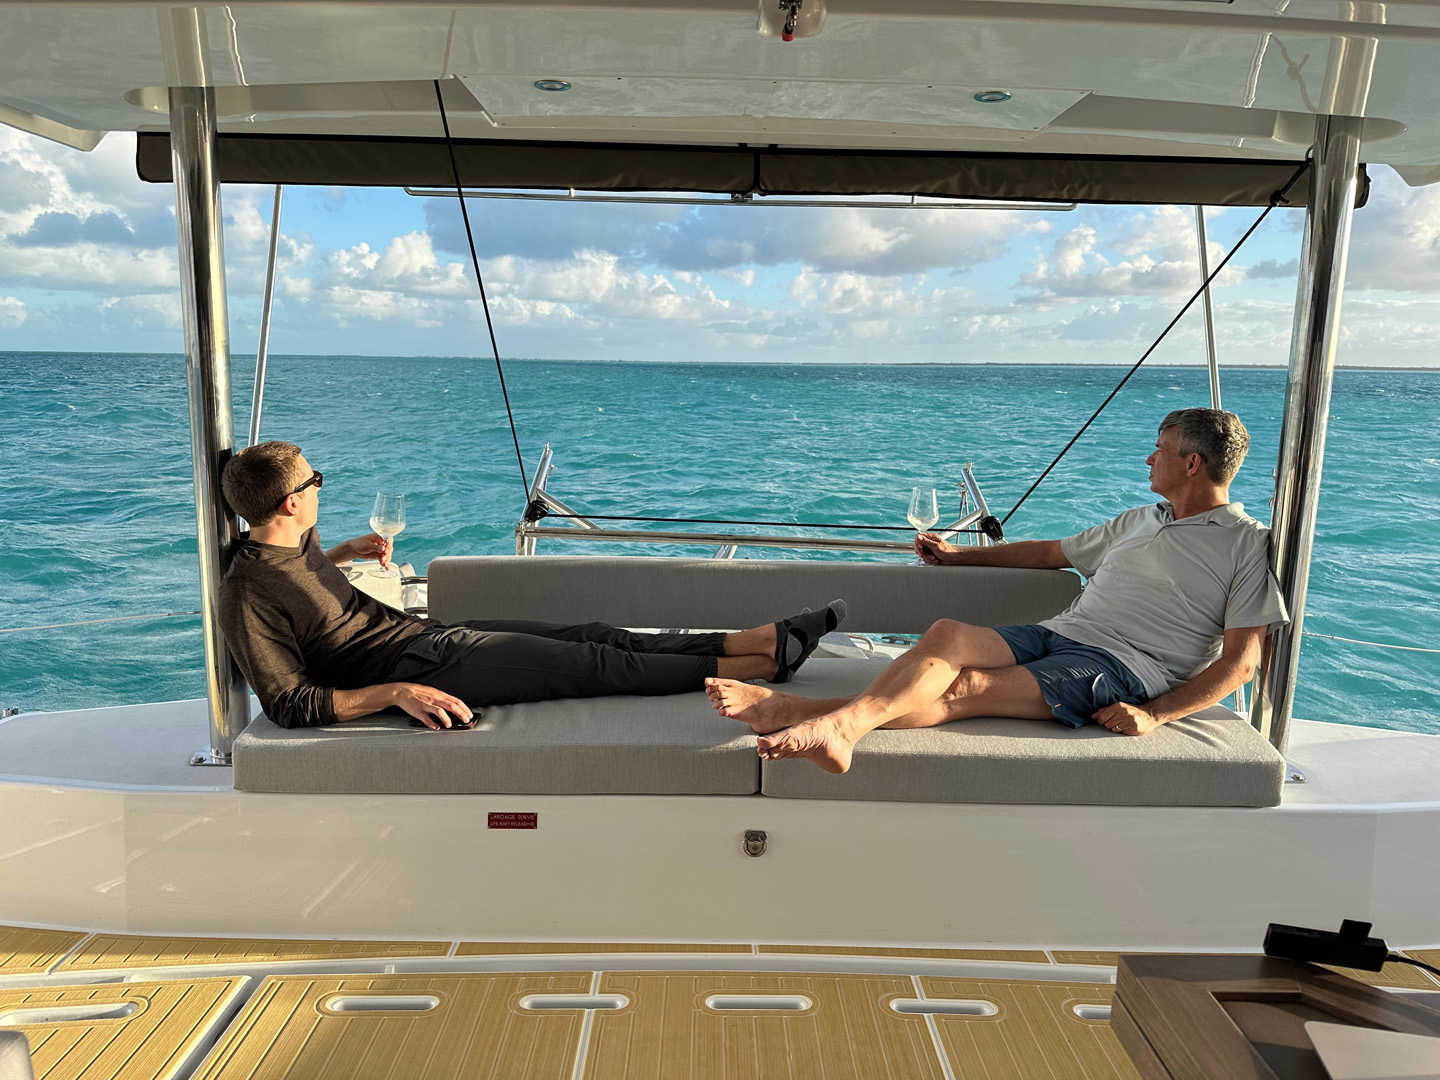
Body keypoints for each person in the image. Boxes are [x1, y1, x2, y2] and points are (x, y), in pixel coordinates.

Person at [705, 407, 1288, 774]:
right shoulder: (1139, 520)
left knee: (968, 687)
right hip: (1063, 633)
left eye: (1158, 449)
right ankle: (824, 723)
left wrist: (1155, 716)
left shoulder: (1243, 544)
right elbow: (1046, 553)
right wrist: (961, 555)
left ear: (1190, 464)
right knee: (947, 635)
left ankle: (815, 719)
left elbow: (1242, 664)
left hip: (1126, 668)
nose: (1148, 458)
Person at [217, 441, 845, 731]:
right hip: (417, 666)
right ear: (291, 502)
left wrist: (349, 548)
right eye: (314, 480)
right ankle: (760, 670)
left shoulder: (293, 542)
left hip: (424, 636)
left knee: (598, 633)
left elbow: (304, 576)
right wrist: (394, 693)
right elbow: (287, 704)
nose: (322, 486)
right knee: (592, 663)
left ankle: (757, 641)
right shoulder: (247, 591)